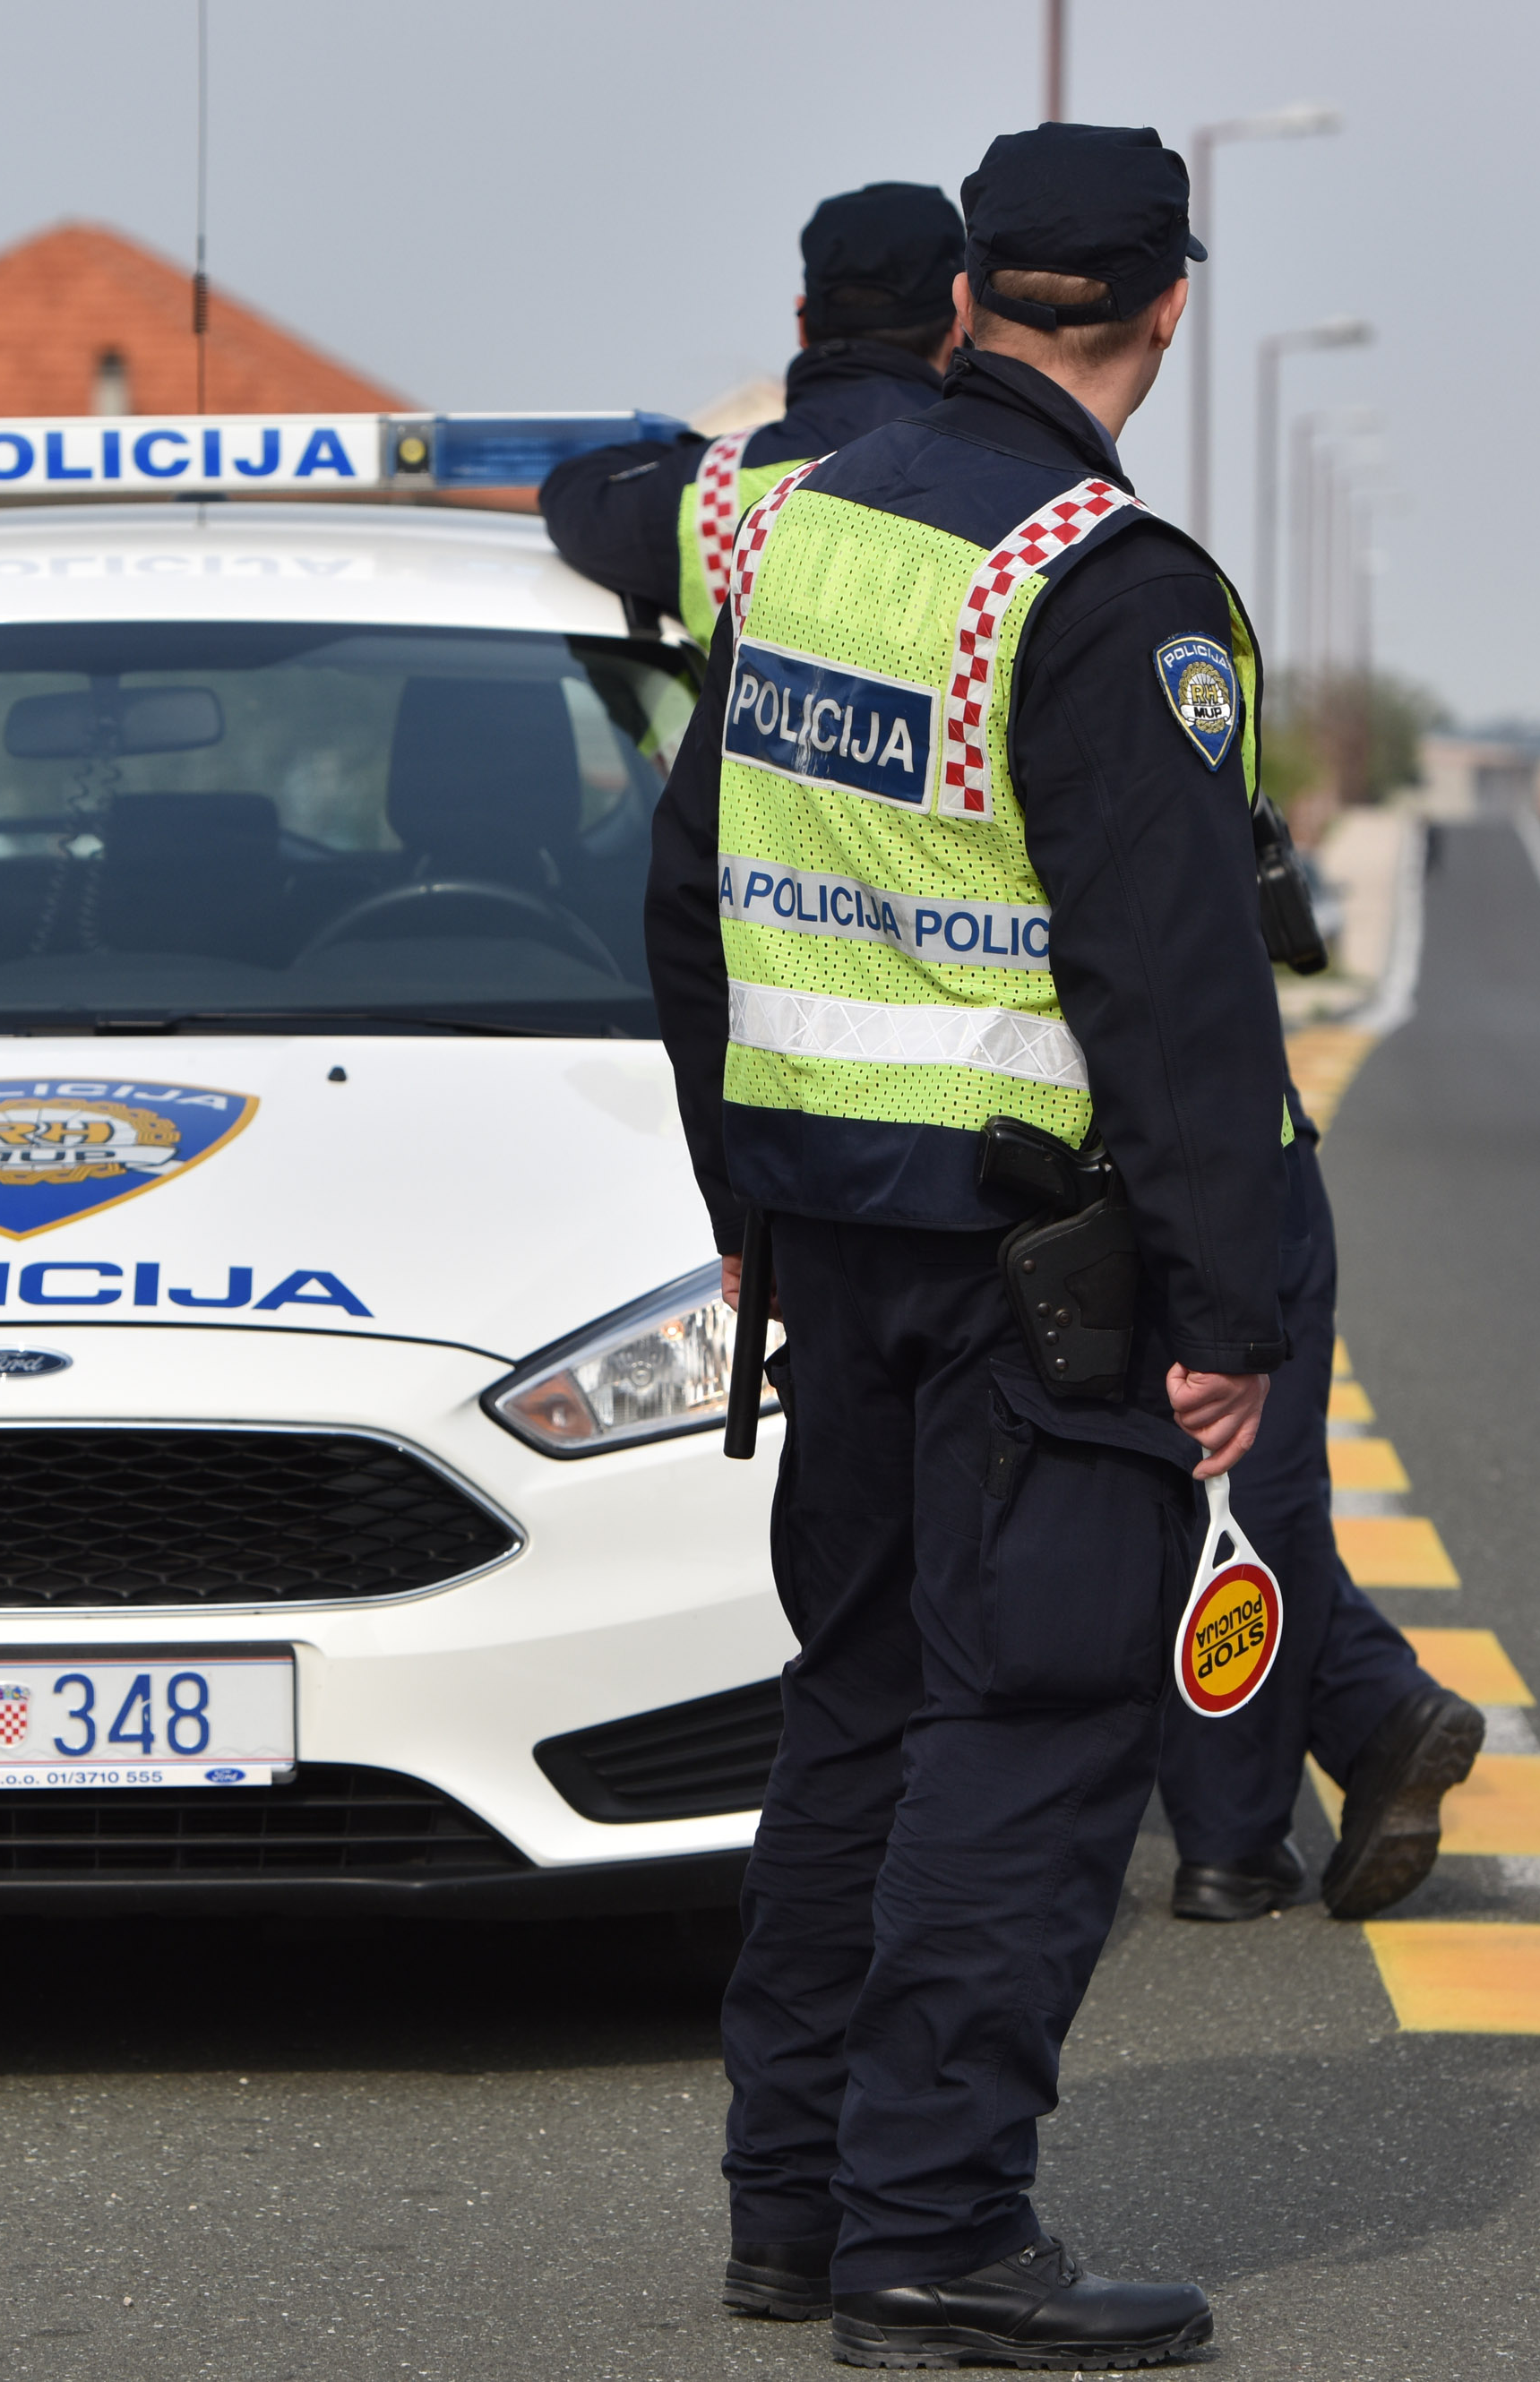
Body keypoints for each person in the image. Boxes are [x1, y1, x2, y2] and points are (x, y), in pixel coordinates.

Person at [648, 121, 1295, 2369]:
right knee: (1022, 1731)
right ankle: (933, 2223)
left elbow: (687, 895)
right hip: (1043, 1268)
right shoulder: (1108, 584)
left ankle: (799, 2200)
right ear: (1166, 312)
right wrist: (1238, 1314)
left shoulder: (806, 536)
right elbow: (1178, 997)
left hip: (833, 1236)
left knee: (856, 1710)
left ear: (960, 299)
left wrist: (742, 1196)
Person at [1153, 1117, 1485, 1923]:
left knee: (1175, 1474)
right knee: (1241, 1472)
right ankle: (1335, 1732)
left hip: (990, 1154)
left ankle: (1364, 1711)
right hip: (1220, 1145)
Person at [539, 181, 964, 640]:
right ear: (959, 329)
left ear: (802, 323)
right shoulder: (1007, 490)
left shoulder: (709, 493)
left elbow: (573, 492)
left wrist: (691, 453)